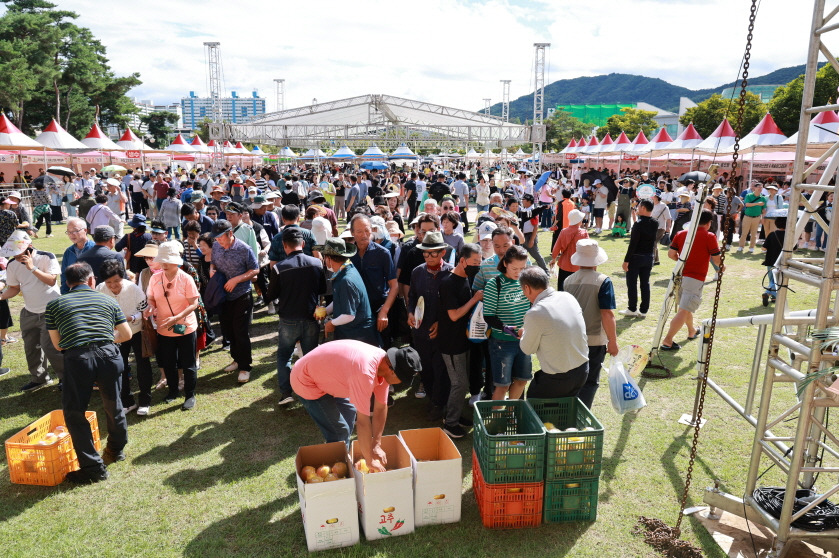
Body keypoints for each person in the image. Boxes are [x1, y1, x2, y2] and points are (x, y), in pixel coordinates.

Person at [45, 262, 132, 484]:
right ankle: (116, 449)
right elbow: (127, 334)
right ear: (92, 280)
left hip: (79, 359)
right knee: (114, 405)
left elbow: (58, 345)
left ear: (67, 283)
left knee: (75, 413)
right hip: (110, 357)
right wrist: (103, 340)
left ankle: (93, 468)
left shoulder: (55, 305)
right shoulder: (106, 300)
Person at [290, 340, 420, 468]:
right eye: (402, 379)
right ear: (393, 371)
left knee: (350, 412)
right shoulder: (365, 373)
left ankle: (340, 455)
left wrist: (376, 444)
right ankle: (336, 468)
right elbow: (363, 422)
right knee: (339, 430)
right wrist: (369, 460)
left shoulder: (384, 363)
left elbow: (380, 409)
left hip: (329, 376)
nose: (401, 383)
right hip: (305, 380)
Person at [266, 227, 326, 406]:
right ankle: (312, 390)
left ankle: (286, 393)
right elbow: (322, 289)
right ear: (304, 244)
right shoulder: (316, 264)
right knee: (310, 357)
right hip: (311, 318)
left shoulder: (279, 268)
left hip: (288, 320)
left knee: (284, 356)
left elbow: (271, 295)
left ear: (285, 246)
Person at [0, 231, 64, 391]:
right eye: (12, 254)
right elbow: (14, 288)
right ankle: (39, 378)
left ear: (28, 247)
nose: (14, 257)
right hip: (29, 312)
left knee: (52, 348)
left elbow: (51, 281)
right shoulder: (12, 264)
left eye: (17, 253)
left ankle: (65, 378)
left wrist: (32, 267)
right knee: (31, 347)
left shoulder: (46, 257)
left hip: (51, 311)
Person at [519, 266, 589, 399]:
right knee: (565, 413)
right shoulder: (567, 297)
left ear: (527, 288)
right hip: (582, 370)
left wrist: (524, 334)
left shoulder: (535, 313)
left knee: (535, 409)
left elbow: (527, 349)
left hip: (557, 378)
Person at [144, 242, 200, 410]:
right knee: (168, 362)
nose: (164, 264)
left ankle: (190, 395)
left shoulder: (186, 278)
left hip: (185, 327)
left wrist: (177, 318)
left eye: (168, 261)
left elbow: (194, 303)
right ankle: (173, 391)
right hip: (163, 328)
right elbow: (151, 298)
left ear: (177, 261)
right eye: (162, 261)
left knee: (188, 362)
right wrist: (150, 307)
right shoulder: (155, 278)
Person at [564, 239, 619, 408]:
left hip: (571, 339)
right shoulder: (603, 281)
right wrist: (613, 341)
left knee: (571, 380)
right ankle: (581, 415)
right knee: (590, 382)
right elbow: (607, 313)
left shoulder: (568, 281)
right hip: (595, 340)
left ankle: (569, 412)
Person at [438, 243, 483, 438]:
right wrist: (474, 300)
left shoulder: (466, 278)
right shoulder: (449, 283)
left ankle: (452, 415)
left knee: (461, 382)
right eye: (474, 263)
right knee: (459, 384)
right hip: (451, 344)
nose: (477, 267)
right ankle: (450, 424)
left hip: (462, 340)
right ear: (462, 260)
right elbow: (454, 315)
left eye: (479, 263)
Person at [407, 230, 453, 421]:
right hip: (420, 331)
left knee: (441, 369)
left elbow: (456, 306)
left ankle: (440, 404)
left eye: (433, 253)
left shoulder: (451, 273)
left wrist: (441, 324)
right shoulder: (417, 272)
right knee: (425, 368)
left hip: (443, 333)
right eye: (425, 253)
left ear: (443, 252)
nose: (428, 256)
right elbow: (411, 297)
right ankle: (433, 400)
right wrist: (410, 313)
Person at [660, 210, 722, 351]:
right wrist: (722, 268)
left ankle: (691, 331)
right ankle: (668, 340)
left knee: (685, 307)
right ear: (709, 223)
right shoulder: (709, 236)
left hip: (680, 276)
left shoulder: (681, 234)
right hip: (695, 278)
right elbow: (717, 259)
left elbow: (671, 254)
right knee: (684, 309)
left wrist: (682, 261)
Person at [97, 259, 151, 415]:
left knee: (143, 366)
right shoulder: (100, 289)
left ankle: (145, 401)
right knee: (119, 367)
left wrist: (131, 318)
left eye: (117, 281)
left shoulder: (133, 289)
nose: (113, 286)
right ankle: (127, 401)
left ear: (123, 277)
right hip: (115, 335)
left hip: (136, 331)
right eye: (109, 282)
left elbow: (145, 311)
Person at [211, 219, 259, 382]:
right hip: (223, 296)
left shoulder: (244, 249)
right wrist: (212, 270)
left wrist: (236, 279)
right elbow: (213, 262)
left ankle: (245, 367)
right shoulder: (216, 246)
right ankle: (236, 359)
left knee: (240, 332)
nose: (217, 241)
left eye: (220, 237)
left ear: (230, 234)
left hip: (241, 295)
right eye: (215, 238)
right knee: (228, 330)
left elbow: (255, 269)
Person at [482, 245, 531, 401]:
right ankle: (497, 419)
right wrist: (508, 329)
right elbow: (488, 316)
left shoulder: (526, 282)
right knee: (502, 385)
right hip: (502, 343)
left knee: (522, 380)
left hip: (524, 341)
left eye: (522, 268)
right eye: (514, 268)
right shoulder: (493, 285)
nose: (519, 272)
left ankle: (511, 413)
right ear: (505, 264)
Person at [349, 214, 398, 346]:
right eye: (359, 231)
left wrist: (384, 311)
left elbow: (394, 285)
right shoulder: (348, 254)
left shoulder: (382, 253)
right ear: (352, 233)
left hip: (378, 309)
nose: (364, 235)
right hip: (355, 311)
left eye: (367, 230)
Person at [321, 238, 379, 346]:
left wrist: (331, 323)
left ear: (328, 258)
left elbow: (349, 315)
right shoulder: (347, 268)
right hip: (353, 332)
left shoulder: (346, 280)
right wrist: (326, 310)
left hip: (358, 335)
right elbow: (341, 298)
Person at [621, 199, 658, 317]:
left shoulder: (639, 224)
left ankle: (632, 308)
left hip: (636, 257)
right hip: (648, 256)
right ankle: (643, 310)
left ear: (643, 208)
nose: (637, 208)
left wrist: (626, 260)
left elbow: (633, 244)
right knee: (645, 283)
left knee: (632, 283)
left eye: (639, 206)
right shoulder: (655, 222)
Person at [550, 209, 588, 290]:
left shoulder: (564, 231)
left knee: (562, 288)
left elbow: (556, 248)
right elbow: (588, 249)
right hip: (578, 265)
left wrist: (554, 259)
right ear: (578, 220)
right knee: (577, 290)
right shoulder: (584, 232)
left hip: (564, 264)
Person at [60, 217, 94, 294]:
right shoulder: (68, 252)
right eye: (69, 232)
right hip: (74, 294)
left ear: (85, 230)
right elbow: (64, 275)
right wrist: (64, 294)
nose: (72, 234)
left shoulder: (94, 249)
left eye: (75, 231)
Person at [762, 216, 786, 306]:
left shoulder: (772, 234)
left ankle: (774, 297)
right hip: (782, 262)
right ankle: (768, 293)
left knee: (772, 279)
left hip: (770, 260)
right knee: (777, 281)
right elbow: (794, 248)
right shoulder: (789, 236)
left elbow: (764, 248)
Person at [738, 181, 767, 253]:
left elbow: (763, 209)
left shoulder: (763, 198)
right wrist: (757, 203)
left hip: (757, 217)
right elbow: (747, 204)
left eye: (761, 187)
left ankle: (751, 247)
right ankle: (741, 246)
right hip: (747, 217)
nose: (760, 189)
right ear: (755, 188)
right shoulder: (748, 195)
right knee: (744, 233)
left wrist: (763, 218)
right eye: (759, 187)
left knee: (754, 234)